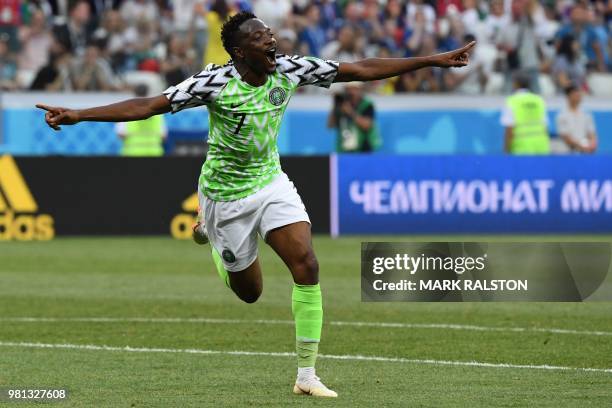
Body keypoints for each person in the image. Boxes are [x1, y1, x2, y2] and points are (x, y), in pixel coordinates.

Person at [37, 11, 474, 398]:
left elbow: (360, 68)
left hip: (271, 183)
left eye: (271, 34)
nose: (272, 41)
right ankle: (211, 237)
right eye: (261, 37)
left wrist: (432, 59)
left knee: (306, 263)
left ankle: (307, 373)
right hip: (225, 198)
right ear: (239, 52)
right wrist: (79, 114)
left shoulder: (288, 69)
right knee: (251, 293)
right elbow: (148, 105)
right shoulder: (213, 82)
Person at [500, 71, 550, 154]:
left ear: (516, 84)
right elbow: (545, 127)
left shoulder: (512, 101)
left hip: (521, 149)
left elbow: (509, 130)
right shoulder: (539, 100)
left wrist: (506, 151)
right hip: (541, 147)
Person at [327, 82, 381, 152]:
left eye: (354, 89)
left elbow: (367, 125)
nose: (351, 92)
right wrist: (335, 105)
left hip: (363, 148)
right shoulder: (342, 105)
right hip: (344, 149)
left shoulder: (367, 105)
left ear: (360, 89)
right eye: (348, 89)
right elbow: (330, 125)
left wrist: (350, 112)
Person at [115, 84, 167, 156]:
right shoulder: (157, 110)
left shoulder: (126, 109)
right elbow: (163, 136)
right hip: (154, 152)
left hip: (132, 152)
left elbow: (121, 133)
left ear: (134, 93)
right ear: (147, 92)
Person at [555, 85, 597, 154]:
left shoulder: (586, 114)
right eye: (575, 95)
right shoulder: (562, 115)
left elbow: (592, 133)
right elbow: (565, 136)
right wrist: (580, 146)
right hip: (568, 152)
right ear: (568, 96)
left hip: (585, 152)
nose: (579, 97)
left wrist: (592, 145)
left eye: (579, 95)